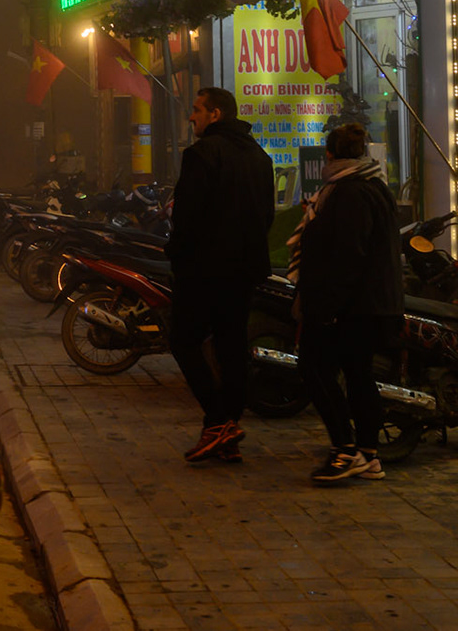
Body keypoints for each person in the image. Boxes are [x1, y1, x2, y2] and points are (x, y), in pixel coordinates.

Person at [166, 86, 276, 464]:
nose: (191, 117)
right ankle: (229, 431)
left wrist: (177, 256)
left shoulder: (201, 154)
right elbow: (266, 217)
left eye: (197, 110)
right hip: (243, 272)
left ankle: (217, 422)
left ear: (215, 115)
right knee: (231, 349)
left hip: (203, 270)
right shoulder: (260, 157)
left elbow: (186, 218)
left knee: (183, 340)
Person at [292, 123, 404, 484]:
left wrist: (327, 307)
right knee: (358, 375)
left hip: (350, 306)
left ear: (329, 155)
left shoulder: (348, 192)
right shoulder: (373, 185)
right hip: (370, 304)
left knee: (315, 368)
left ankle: (345, 448)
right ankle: (368, 455)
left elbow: (347, 254)